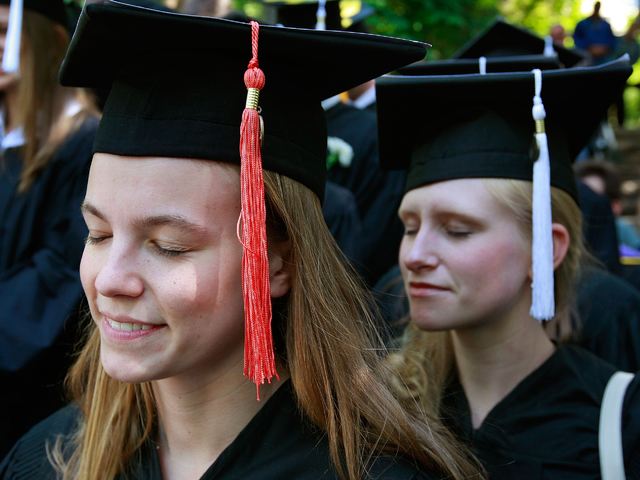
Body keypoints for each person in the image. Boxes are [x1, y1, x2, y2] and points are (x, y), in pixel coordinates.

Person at [0, 2, 483, 480]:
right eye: (98, 234)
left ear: (278, 263)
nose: (109, 279)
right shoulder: (49, 459)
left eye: (169, 245)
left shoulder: (372, 473)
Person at [376, 59, 640, 478]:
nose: (414, 255)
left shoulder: (620, 422)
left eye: (457, 230)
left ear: (545, 249)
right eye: (410, 228)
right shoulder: (384, 412)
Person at [0, 0, 100, 461]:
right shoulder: (7, 143)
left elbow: (62, 272)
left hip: (30, 392)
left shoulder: (85, 145)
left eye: (4, 31)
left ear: (52, 39)